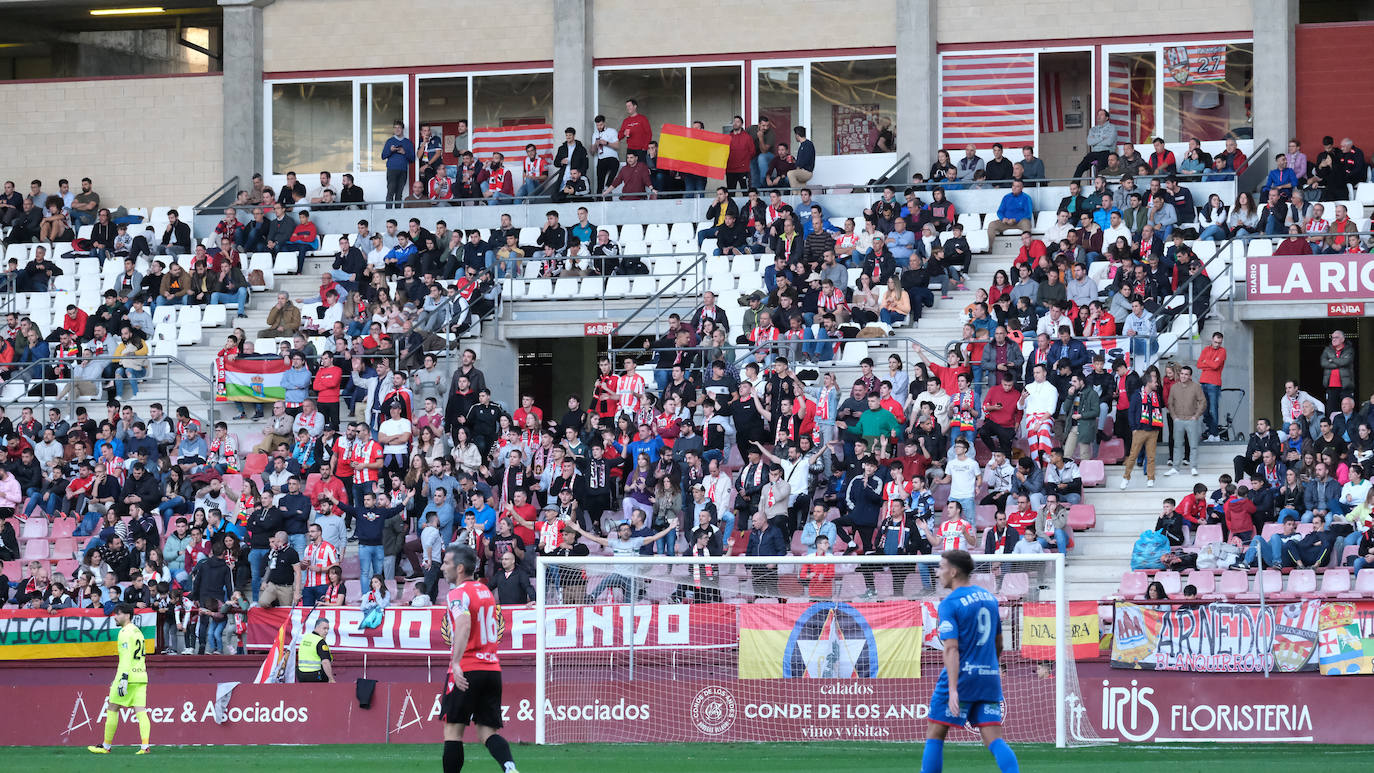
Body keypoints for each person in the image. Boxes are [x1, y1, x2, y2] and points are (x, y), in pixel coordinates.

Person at [921, 550, 1018, 773]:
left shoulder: (950, 604)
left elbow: (951, 648)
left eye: (941, 567)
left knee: (935, 734)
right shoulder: (989, 598)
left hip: (962, 677)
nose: (937, 573)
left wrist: (954, 689)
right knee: (994, 739)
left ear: (953, 572)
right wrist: (988, 667)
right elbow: (999, 643)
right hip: (988, 677)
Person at [439, 545, 521, 773]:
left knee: (453, 732)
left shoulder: (457, 593)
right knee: (487, 733)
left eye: (447, 563)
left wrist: (455, 663)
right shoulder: (485, 591)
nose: (443, 567)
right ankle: (509, 767)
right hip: (492, 669)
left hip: (467, 668)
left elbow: (463, 624)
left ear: (460, 568)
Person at [87, 603, 151, 755]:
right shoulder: (138, 632)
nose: (115, 616)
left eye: (118, 613)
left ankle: (106, 746)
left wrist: (123, 678)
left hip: (127, 676)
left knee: (112, 708)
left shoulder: (124, 632)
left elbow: (127, 657)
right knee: (141, 711)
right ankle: (145, 746)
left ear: (127, 615)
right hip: (141, 675)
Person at [295, 617, 335, 683]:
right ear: (317, 627)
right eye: (324, 628)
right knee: (326, 672)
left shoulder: (306, 638)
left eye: (327, 629)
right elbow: (325, 662)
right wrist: (331, 678)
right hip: (315, 676)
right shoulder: (320, 641)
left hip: (301, 675)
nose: (326, 631)